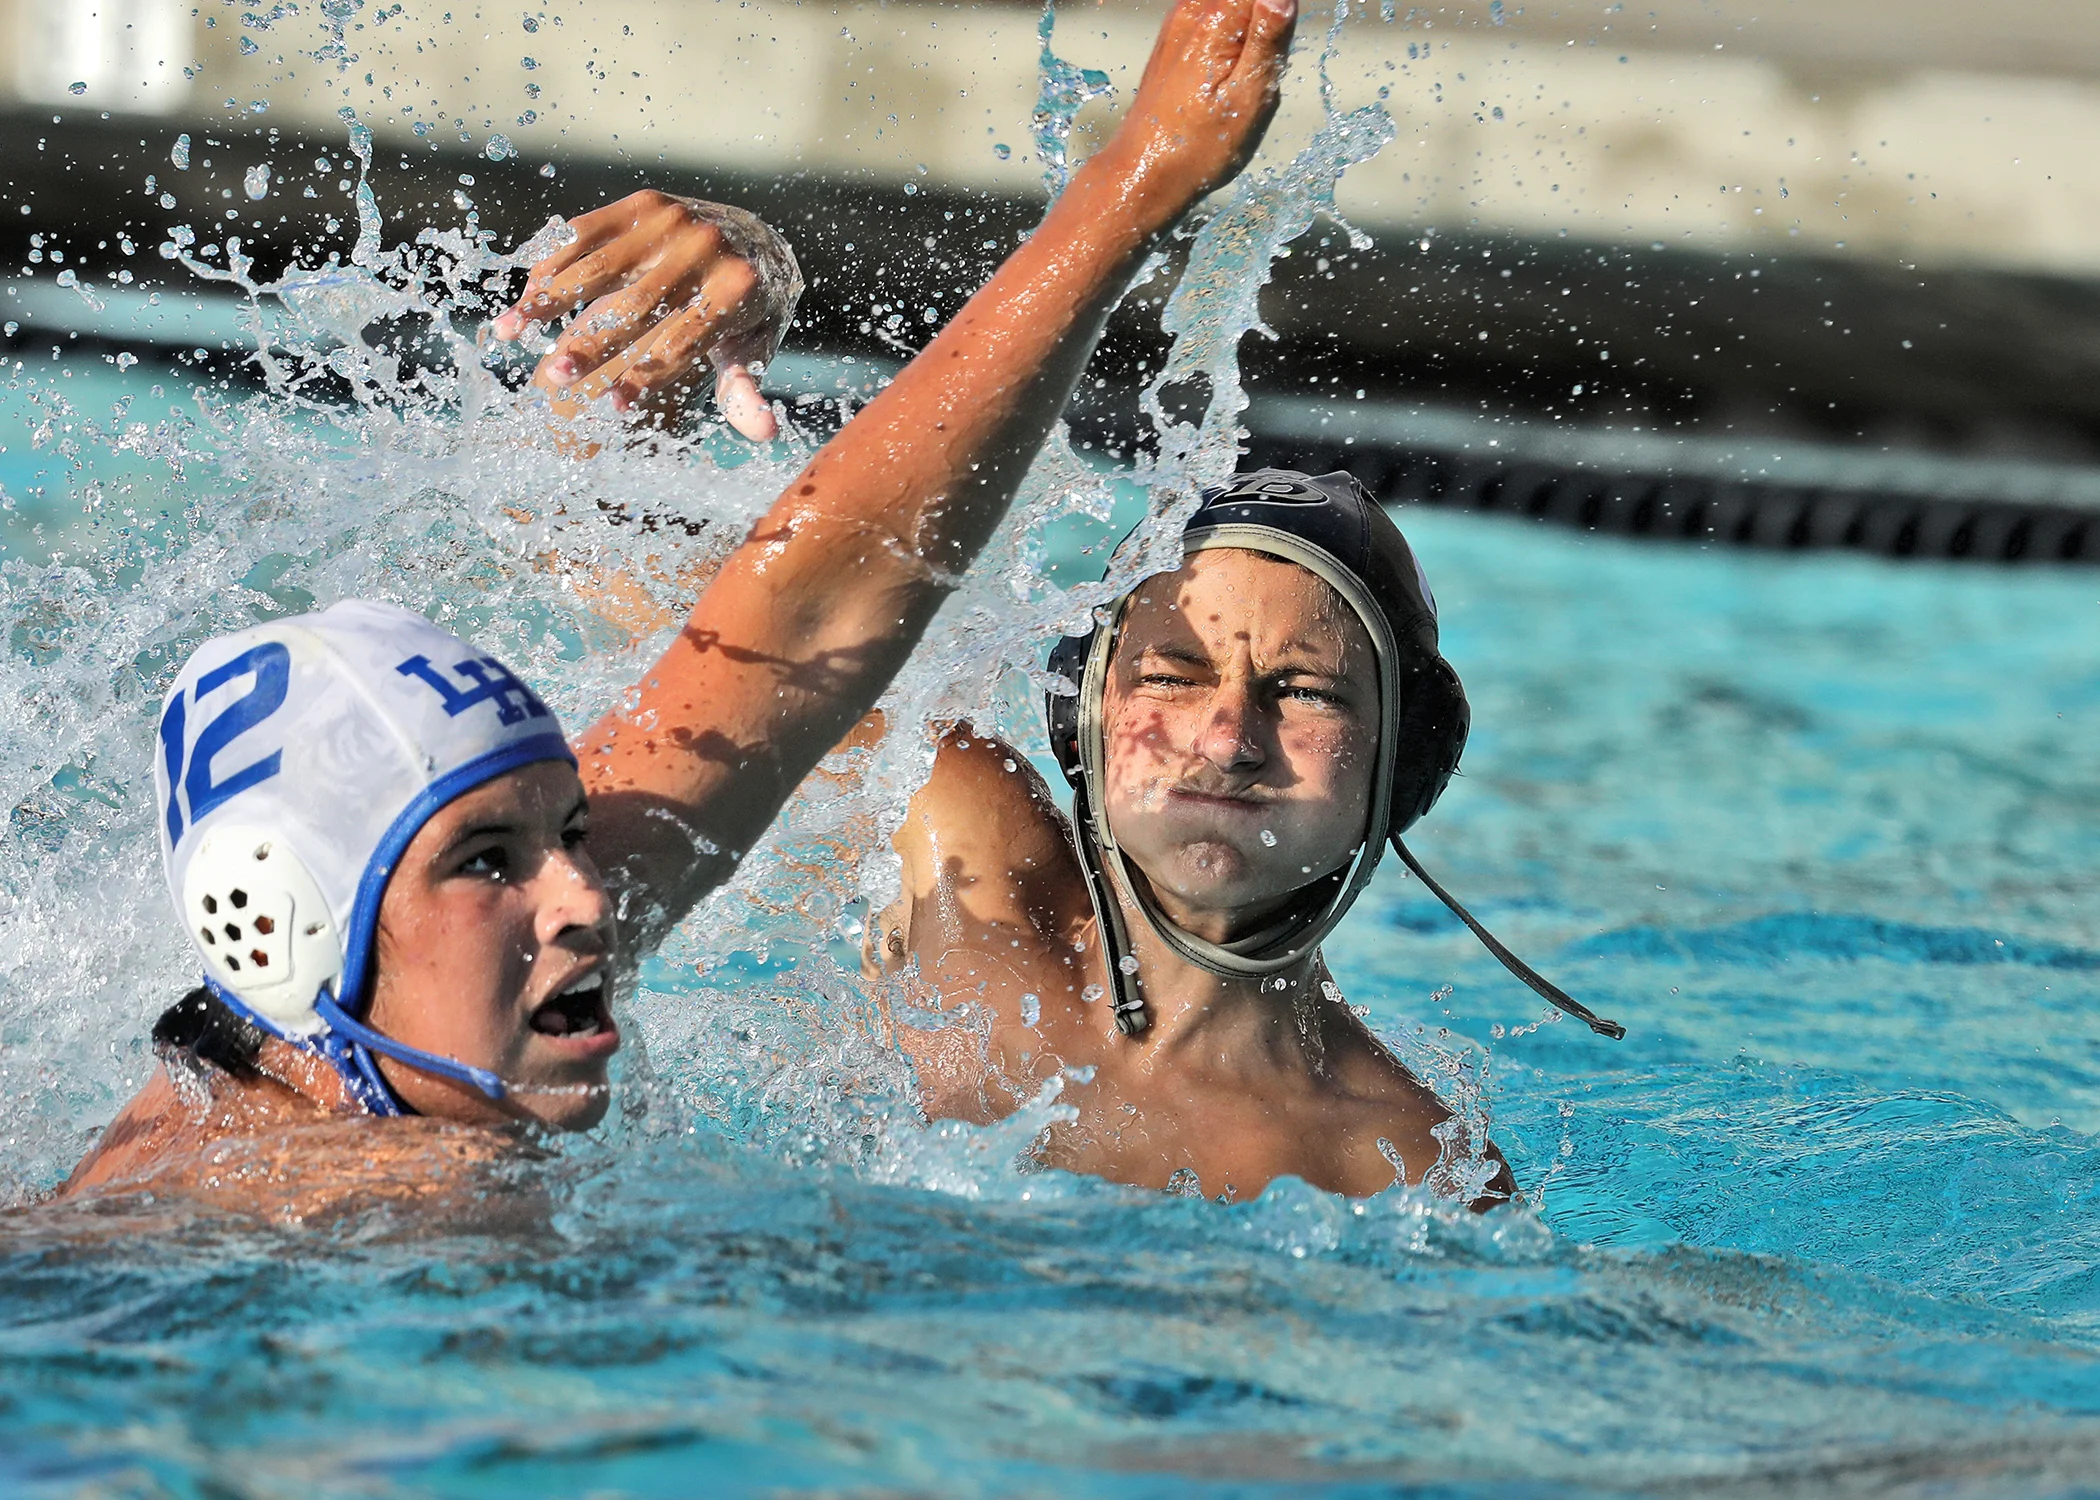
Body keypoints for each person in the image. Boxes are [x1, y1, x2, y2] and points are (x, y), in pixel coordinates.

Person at [58, 0, 1301, 1213]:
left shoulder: (430, 989)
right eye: (489, 861)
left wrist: (1131, 186)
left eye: (576, 830)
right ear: (277, 931)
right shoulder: (158, 1234)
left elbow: (810, 615)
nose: (592, 899)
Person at [861, 471, 1627, 1205]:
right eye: (1172, 675)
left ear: (1400, 765)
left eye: (1303, 693)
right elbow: (765, 651)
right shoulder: (946, 821)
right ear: (1084, 713)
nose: (1229, 742)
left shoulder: (1406, 1169)